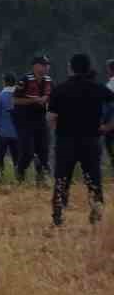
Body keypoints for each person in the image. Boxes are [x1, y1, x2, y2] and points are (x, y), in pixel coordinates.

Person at [47, 53, 112, 227]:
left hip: (65, 140)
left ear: (70, 68)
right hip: (91, 140)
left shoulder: (59, 89)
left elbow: (52, 117)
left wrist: (58, 132)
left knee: (62, 178)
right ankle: (96, 211)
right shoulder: (98, 88)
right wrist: (108, 126)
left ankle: (59, 212)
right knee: (93, 178)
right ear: (88, 68)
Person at [13, 54, 52, 183]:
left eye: (47, 65)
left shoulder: (49, 81)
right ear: (35, 66)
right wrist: (33, 100)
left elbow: (53, 97)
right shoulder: (24, 80)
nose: (46, 67)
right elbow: (15, 99)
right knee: (28, 152)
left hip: (41, 120)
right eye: (43, 65)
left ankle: (41, 181)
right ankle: (20, 175)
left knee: (43, 151)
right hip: (25, 121)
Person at [0, 72, 19, 172]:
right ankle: (20, 182)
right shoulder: (20, 98)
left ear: (4, 82)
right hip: (17, 135)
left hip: (1, 134)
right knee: (17, 162)